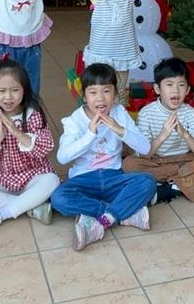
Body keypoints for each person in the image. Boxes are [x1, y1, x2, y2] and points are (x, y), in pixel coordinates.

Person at [51, 63, 155, 251]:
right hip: (84, 179)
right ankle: (121, 212)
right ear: (84, 96)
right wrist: (90, 134)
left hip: (113, 176)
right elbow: (62, 158)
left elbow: (145, 148)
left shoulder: (119, 113)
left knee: (147, 182)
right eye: (93, 92)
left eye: (106, 91)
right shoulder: (75, 120)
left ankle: (101, 220)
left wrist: (119, 129)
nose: (100, 98)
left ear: (115, 95)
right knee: (59, 198)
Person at [0, 59, 60, 235]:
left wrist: (17, 133)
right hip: (0, 177)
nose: (8, 97)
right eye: (2, 91)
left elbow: (46, 148)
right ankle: (31, 206)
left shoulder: (33, 115)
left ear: (25, 90)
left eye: (15, 90)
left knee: (52, 180)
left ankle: (1, 214)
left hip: (32, 175)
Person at [122, 57, 194, 203]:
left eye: (181, 85)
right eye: (169, 84)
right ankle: (186, 182)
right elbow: (145, 155)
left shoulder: (189, 113)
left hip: (185, 160)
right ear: (157, 89)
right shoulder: (146, 113)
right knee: (129, 164)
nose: (175, 90)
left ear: (187, 90)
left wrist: (185, 134)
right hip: (157, 162)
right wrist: (163, 135)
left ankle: (168, 187)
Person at [75, 0, 141, 105]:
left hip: (122, 56)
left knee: (118, 97)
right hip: (100, 55)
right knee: (98, 96)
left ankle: (116, 122)